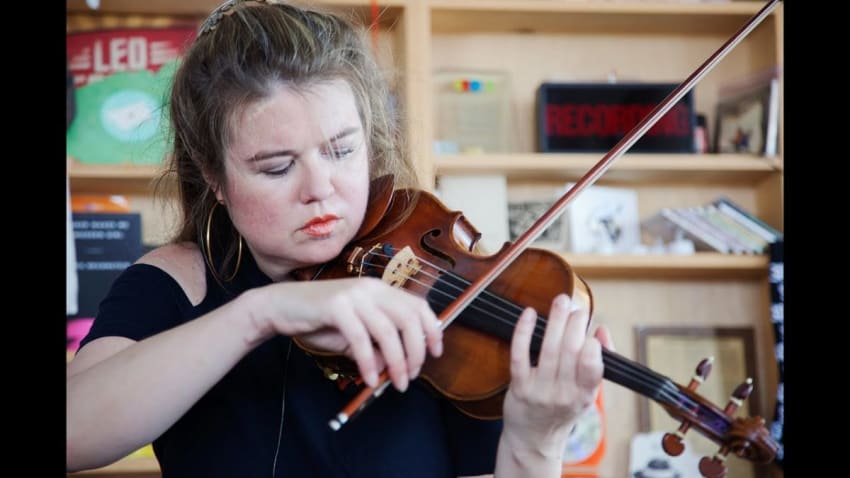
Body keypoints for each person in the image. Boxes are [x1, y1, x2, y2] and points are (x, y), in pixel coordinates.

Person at [66, 1, 613, 476]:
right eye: (277, 167)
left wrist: (535, 442)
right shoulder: (176, 282)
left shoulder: (448, 300)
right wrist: (262, 312)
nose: (321, 189)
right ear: (215, 178)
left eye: (342, 150)